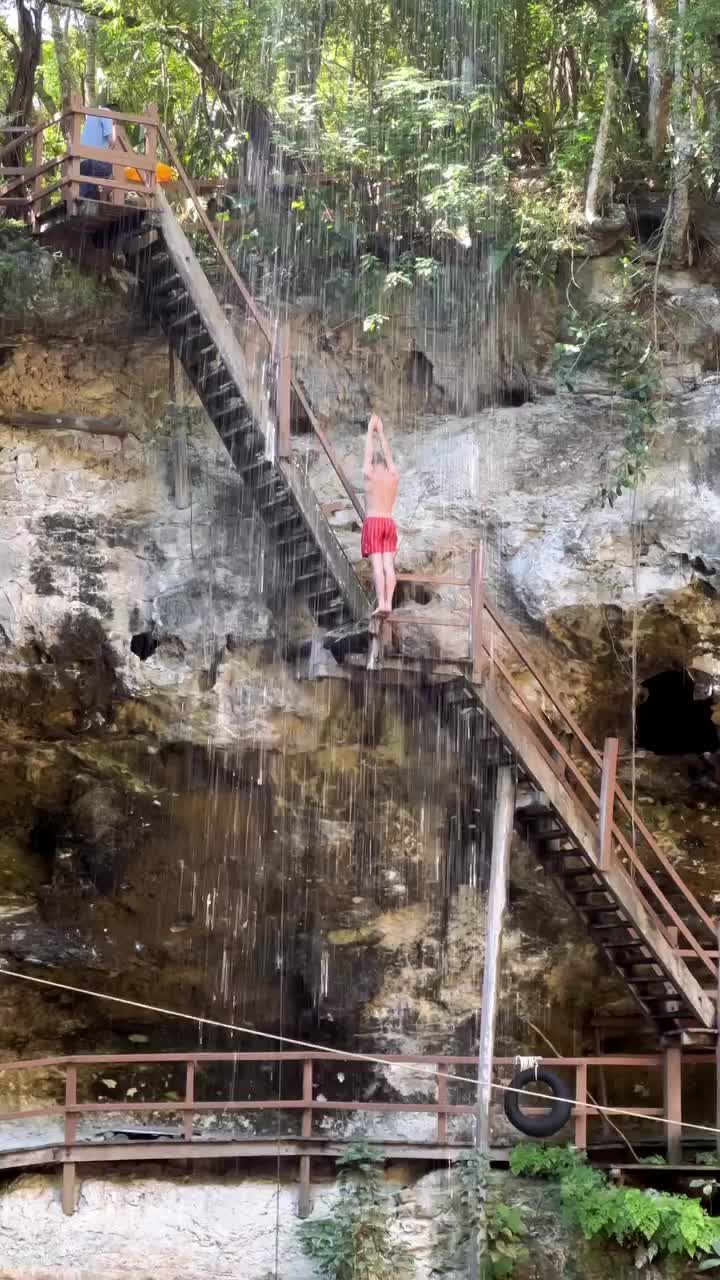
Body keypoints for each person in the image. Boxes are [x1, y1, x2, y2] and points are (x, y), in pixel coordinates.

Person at [361, 413, 399, 615]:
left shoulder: (370, 475)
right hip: (389, 523)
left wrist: (370, 431)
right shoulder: (393, 476)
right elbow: (390, 459)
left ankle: (382, 603)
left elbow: (367, 456)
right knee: (388, 565)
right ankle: (389, 603)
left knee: (377, 565)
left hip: (374, 522)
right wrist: (382, 433)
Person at [80, 103, 120, 199]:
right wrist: (115, 127)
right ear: (115, 113)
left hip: (82, 162)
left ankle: (89, 198)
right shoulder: (107, 113)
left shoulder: (92, 116)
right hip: (94, 163)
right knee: (116, 171)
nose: (115, 121)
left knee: (89, 192)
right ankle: (104, 196)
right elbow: (112, 142)